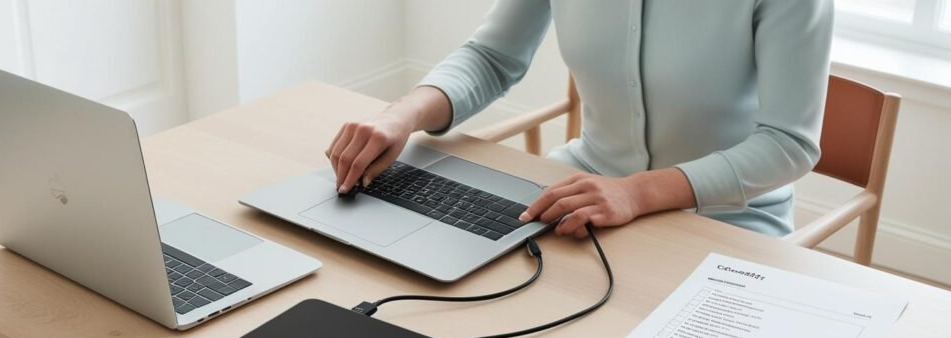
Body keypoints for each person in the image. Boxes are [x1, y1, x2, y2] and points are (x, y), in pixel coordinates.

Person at [326, 0, 834, 238]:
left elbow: (788, 143)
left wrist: (637, 193)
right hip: (580, 190)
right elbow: (492, 57)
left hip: (728, 218)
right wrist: (402, 114)